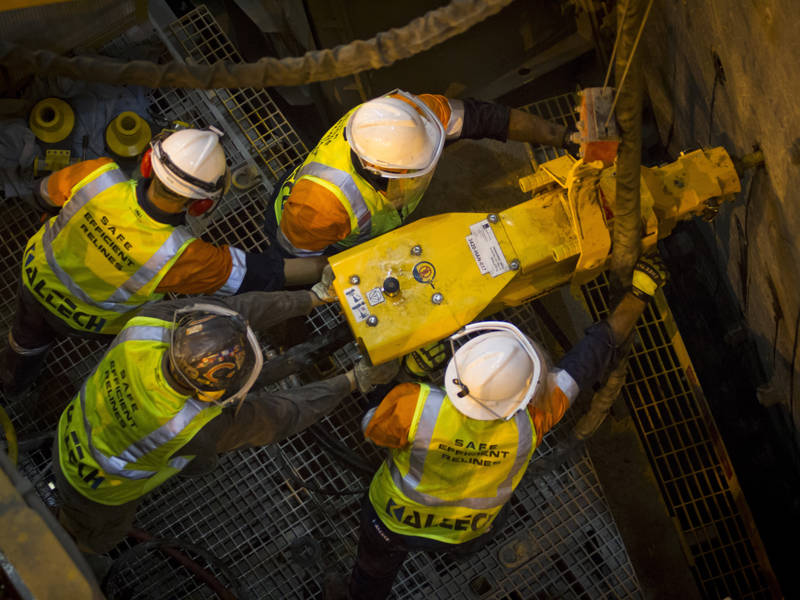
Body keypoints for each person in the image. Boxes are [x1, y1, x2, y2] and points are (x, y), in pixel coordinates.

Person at [330, 255, 667, 600]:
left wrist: (409, 375)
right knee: (471, 536)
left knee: (374, 570)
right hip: (467, 532)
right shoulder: (531, 423)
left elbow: (370, 425)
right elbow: (588, 360)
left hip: (393, 522)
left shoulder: (415, 405)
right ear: (523, 395)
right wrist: (637, 295)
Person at [53, 286, 398, 555]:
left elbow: (235, 312)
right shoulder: (192, 429)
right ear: (206, 396)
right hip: (96, 491)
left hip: (68, 431)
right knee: (99, 537)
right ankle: (85, 554)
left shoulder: (151, 323)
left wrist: (312, 297)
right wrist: (354, 381)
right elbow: (280, 415)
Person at [1, 127, 325, 397]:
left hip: (34, 280)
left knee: (26, 339)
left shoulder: (96, 175)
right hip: (90, 323)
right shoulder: (181, 256)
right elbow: (263, 274)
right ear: (201, 206)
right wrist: (329, 267)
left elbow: (41, 195)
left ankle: (13, 384)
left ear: (147, 163)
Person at [266, 90, 574, 257]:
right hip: (302, 238)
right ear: (382, 171)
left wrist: (564, 137)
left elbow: (490, 118)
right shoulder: (320, 208)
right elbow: (293, 260)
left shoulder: (410, 116)